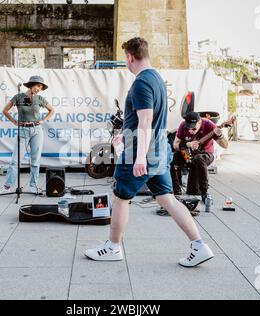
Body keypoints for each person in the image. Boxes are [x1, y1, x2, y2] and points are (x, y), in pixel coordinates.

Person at [85, 37, 215, 267]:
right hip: (157, 150)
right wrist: (124, 136)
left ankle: (113, 247)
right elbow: (144, 121)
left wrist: (139, 157)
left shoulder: (141, 83)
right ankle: (199, 245)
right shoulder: (156, 79)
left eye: (125, 58)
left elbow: (145, 120)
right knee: (167, 198)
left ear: (130, 57)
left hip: (142, 151)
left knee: (120, 198)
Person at [0, 76, 55, 196]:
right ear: (31, 85)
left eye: (40, 87)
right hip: (23, 131)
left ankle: (33, 186)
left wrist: (43, 120)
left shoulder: (40, 99)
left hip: (37, 131)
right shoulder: (18, 97)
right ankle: (7, 187)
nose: (38, 89)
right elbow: (5, 110)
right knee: (15, 161)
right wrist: (14, 121)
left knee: (35, 161)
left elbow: (52, 110)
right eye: (37, 86)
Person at [172, 112, 229, 203]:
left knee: (199, 158)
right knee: (174, 158)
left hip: (206, 154)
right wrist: (188, 144)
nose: (190, 130)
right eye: (188, 128)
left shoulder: (209, 125)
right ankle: (176, 189)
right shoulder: (182, 125)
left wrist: (220, 135)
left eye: (193, 128)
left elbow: (225, 146)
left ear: (199, 122)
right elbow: (175, 144)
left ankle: (204, 192)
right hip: (189, 153)